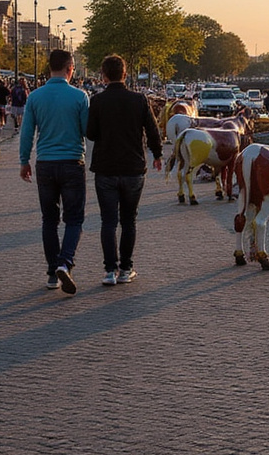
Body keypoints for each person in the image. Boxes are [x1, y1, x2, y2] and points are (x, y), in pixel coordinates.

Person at [86, 54, 163, 286]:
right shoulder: (139, 100)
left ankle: (109, 270)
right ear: (125, 74)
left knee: (108, 221)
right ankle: (126, 269)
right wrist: (157, 154)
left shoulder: (97, 101)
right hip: (133, 169)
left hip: (106, 169)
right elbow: (153, 130)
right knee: (129, 220)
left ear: (104, 75)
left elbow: (90, 133)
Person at [19, 49, 89, 294]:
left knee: (49, 219)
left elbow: (27, 132)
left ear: (49, 68)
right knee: (74, 218)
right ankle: (65, 262)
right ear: (70, 68)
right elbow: (87, 131)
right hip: (72, 162)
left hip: (45, 163)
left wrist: (24, 160)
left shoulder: (35, 97)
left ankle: (51, 273)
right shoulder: (80, 97)